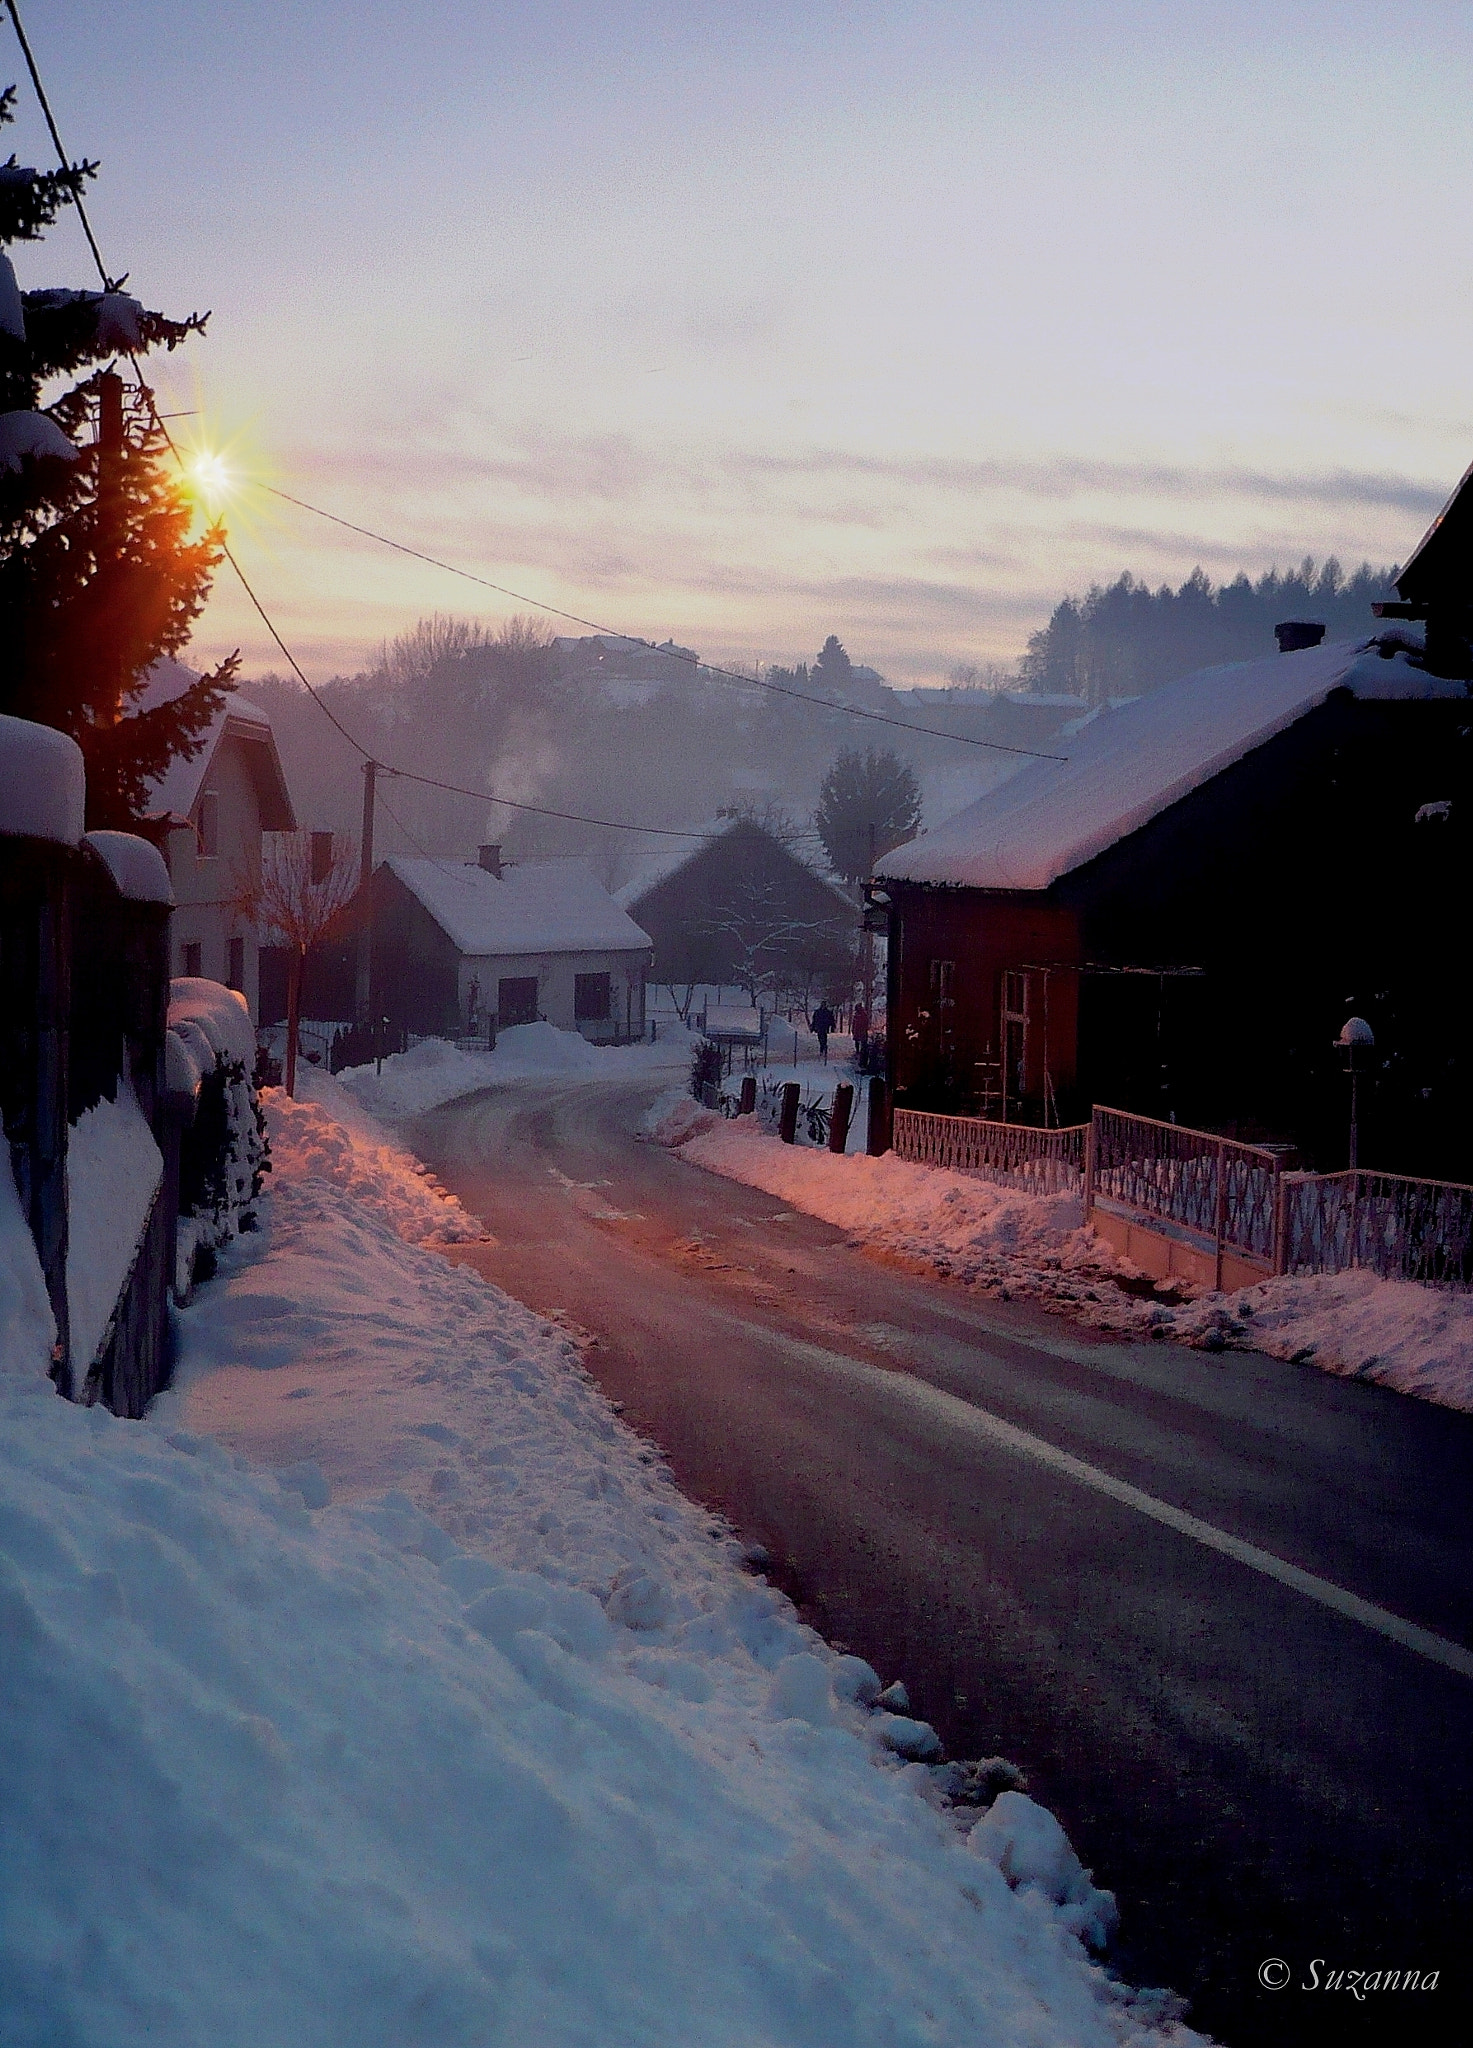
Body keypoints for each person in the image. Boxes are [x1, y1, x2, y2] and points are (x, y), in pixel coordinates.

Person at [851, 998, 869, 1064]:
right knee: (857, 1041)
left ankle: (861, 1052)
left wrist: (864, 1029)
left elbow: (865, 1022)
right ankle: (858, 1051)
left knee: (863, 1042)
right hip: (857, 1030)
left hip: (861, 1030)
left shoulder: (863, 1014)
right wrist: (853, 1029)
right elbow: (854, 1023)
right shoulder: (857, 1014)